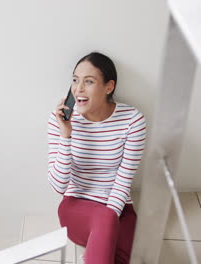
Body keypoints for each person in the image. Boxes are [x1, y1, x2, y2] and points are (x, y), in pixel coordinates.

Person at [47, 52, 146, 264]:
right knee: (105, 220)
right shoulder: (58, 120)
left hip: (119, 208)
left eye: (89, 82)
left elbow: (123, 179)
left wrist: (107, 224)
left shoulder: (132, 121)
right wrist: (66, 134)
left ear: (109, 87)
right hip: (75, 206)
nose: (78, 89)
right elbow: (58, 186)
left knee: (124, 258)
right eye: (75, 80)